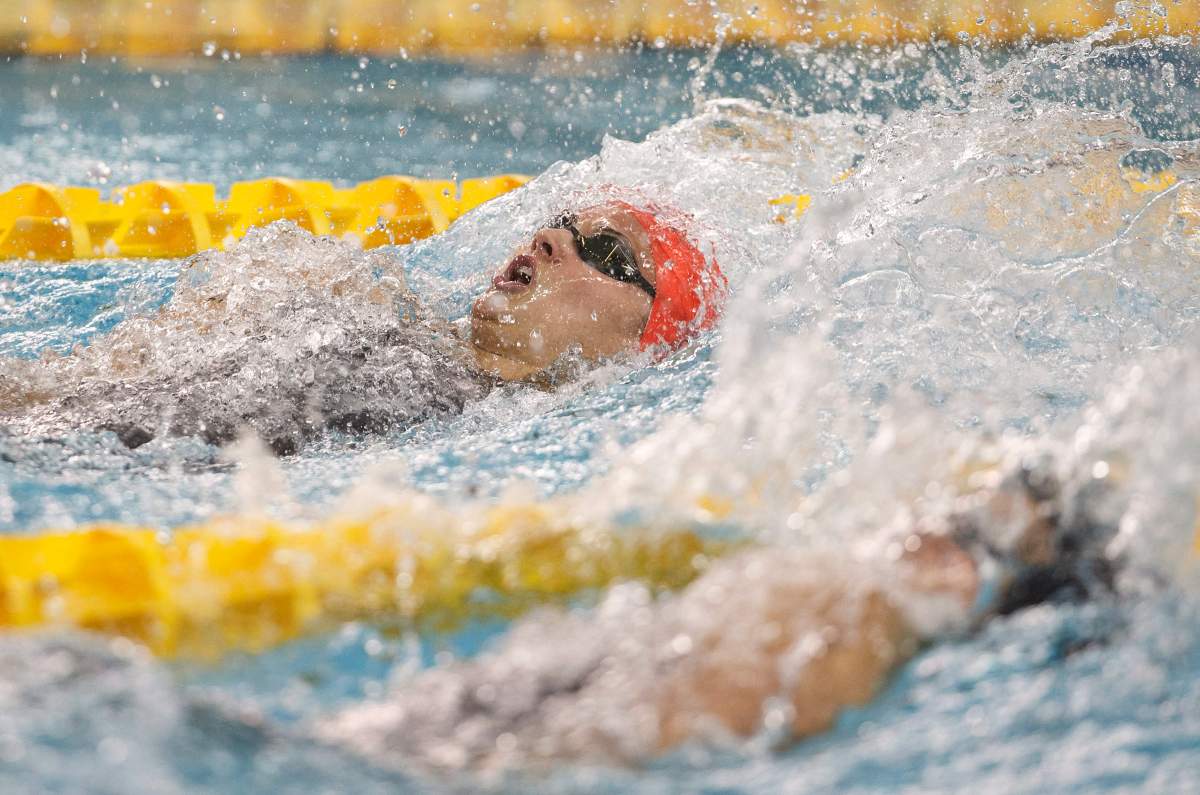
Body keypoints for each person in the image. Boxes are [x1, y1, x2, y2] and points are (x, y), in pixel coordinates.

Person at [314, 450, 1118, 771]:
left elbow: (607, 738)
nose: (922, 522)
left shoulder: (852, 627)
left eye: (962, 524)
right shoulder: (845, 602)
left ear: (959, 574)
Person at [0, 195, 727, 455]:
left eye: (603, 250)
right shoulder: (389, 317)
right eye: (560, 221)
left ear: (642, 342)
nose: (547, 238)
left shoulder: (462, 420)